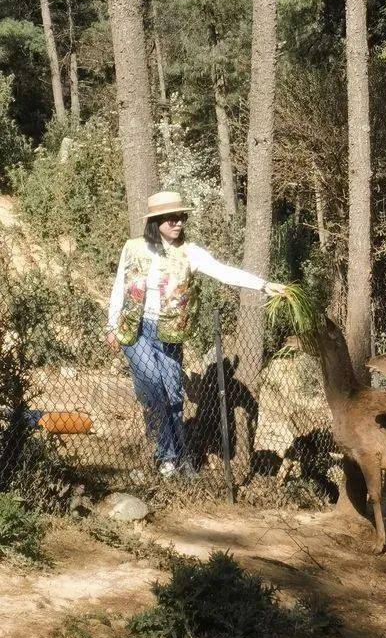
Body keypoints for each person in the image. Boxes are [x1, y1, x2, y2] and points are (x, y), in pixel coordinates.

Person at [107, 190, 286, 478]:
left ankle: (178, 455)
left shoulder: (190, 252)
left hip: (169, 333)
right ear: (156, 221)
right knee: (154, 388)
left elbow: (224, 272)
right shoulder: (133, 248)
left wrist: (263, 285)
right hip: (135, 329)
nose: (178, 222)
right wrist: (111, 324)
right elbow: (120, 286)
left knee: (173, 393)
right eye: (172, 218)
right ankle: (167, 457)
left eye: (182, 217)